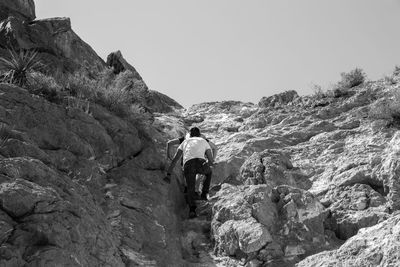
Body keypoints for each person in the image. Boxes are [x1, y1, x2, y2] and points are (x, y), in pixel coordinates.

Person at [165, 127, 215, 219]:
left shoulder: (184, 141)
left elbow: (175, 160)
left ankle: (192, 210)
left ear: (189, 134)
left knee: (190, 188)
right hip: (200, 162)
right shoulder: (203, 140)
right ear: (200, 134)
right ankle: (204, 194)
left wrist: (168, 174)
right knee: (209, 172)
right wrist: (208, 163)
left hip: (188, 165)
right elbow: (211, 160)